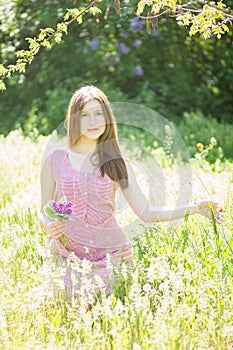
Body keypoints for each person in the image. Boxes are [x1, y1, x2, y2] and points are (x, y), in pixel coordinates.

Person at [40, 85, 223, 300]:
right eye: (86, 115)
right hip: (66, 253)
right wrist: (48, 224)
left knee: (104, 311)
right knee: (65, 309)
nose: (93, 122)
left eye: (99, 114)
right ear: (74, 120)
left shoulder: (117, 163)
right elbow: (43, 209)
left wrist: (195, 209)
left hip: (110, 255)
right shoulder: (55, 159)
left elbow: (146, 213)